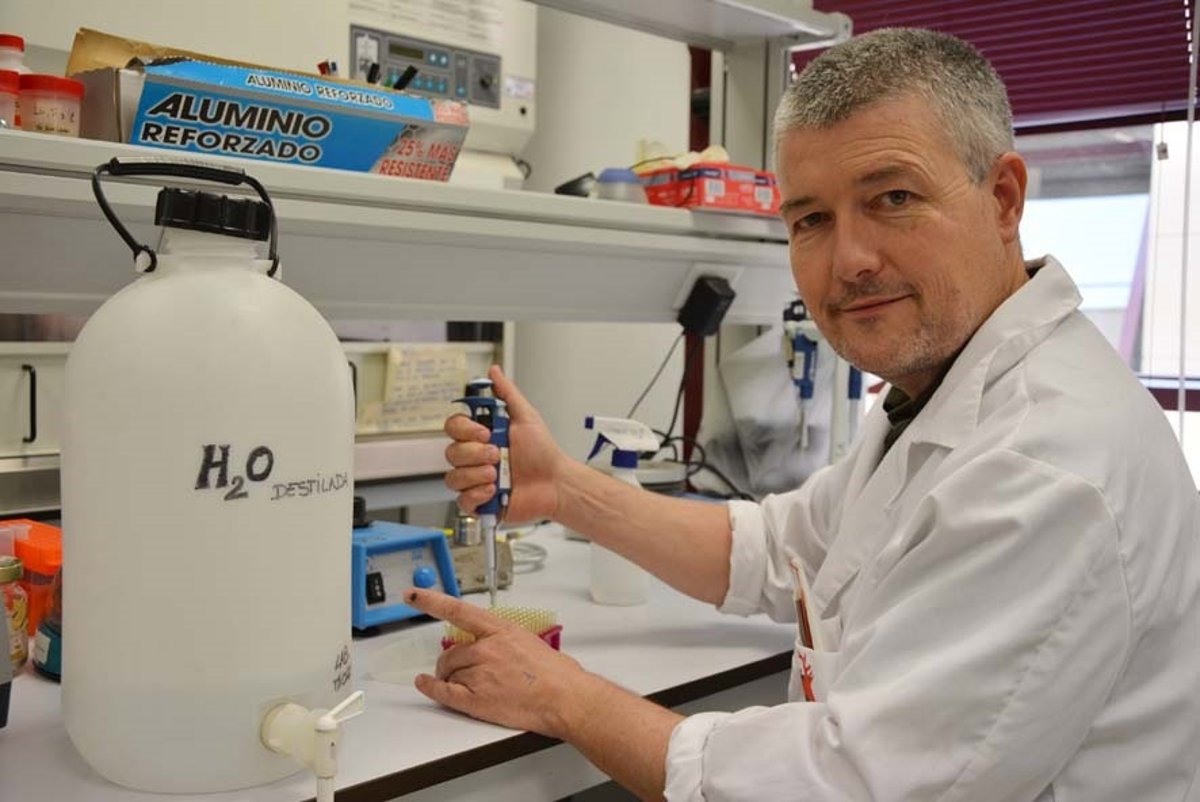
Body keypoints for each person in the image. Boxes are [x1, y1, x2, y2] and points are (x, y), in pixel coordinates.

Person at [405, 27, 1200, 801]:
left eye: (893, 198)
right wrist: (563, 489)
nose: (849, 260)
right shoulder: (943, 392)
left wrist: (564, 697)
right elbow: (780, 548)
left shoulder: (1046, 466)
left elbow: (855, 786)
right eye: (811, 219)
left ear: (1003, 199)